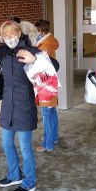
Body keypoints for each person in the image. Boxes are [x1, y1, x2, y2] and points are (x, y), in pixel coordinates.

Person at [0, 5, 42, 191]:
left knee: (25, 147)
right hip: (8, 107)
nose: (10, 37)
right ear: (3, 37)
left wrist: (34, 59)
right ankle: (15, 174)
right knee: (6, 143)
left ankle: (29, 181)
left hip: (24, 107)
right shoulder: (3, 53)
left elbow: (53, 65)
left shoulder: (30, 50)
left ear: (19, 32)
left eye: (13, 32)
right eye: (6, 35)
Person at [34, 20, 60, 152]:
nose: (35, 33)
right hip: (52, 82)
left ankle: (47, 144)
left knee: (46, 115)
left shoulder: (44, 45)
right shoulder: (49, 41)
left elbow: (39, 65)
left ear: (41, 30)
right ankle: (54, 137)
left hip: (45, 83)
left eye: (36, 30)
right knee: (52, 112)